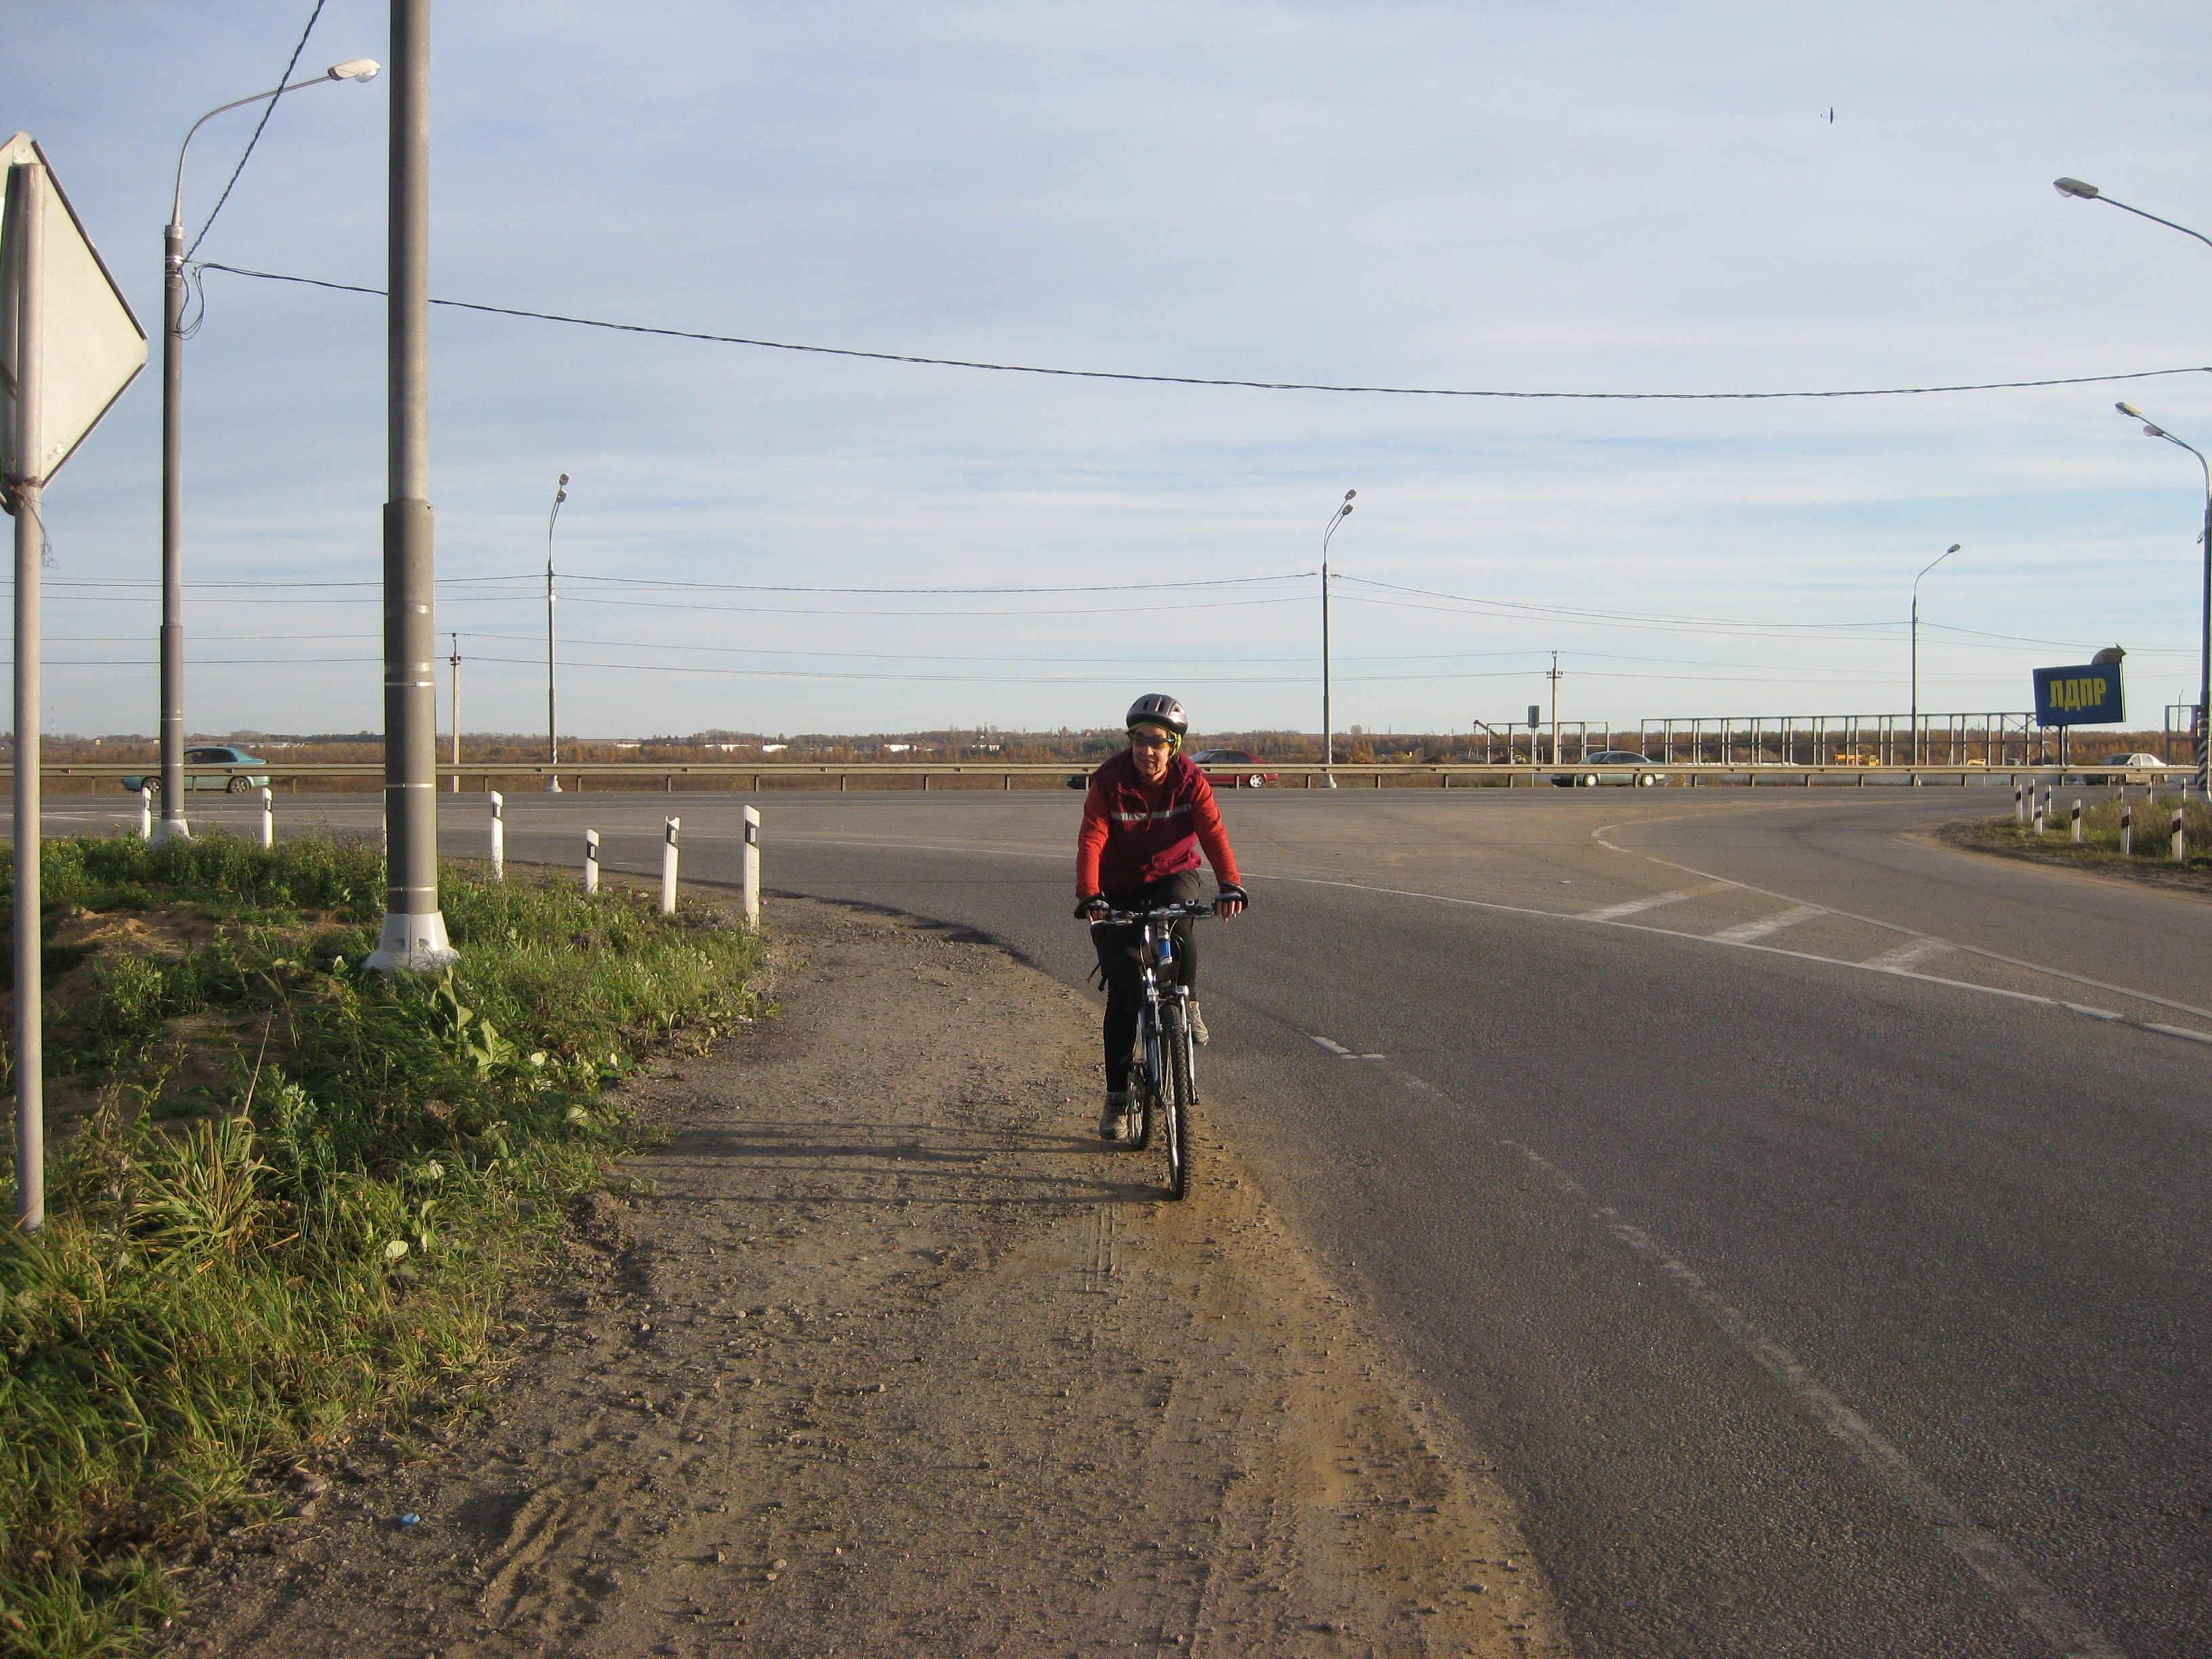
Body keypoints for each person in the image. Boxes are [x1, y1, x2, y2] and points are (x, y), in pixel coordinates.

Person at [1073, 694, 1247, 1142]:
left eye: (1158, 742)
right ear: (1130, 741)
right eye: (1140, 740)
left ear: (1174, 746)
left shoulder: (1190, 780)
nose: (1147, 750)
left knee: (1180, 923)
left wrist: (1230, 884)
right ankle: (1116, 1099)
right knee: (1125, 991)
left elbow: (1212, 832)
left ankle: (1187, 1006)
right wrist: (1090, 895)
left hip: (1173, 873)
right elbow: (1092, 839)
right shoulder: (1109, 781)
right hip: (1116, 885)